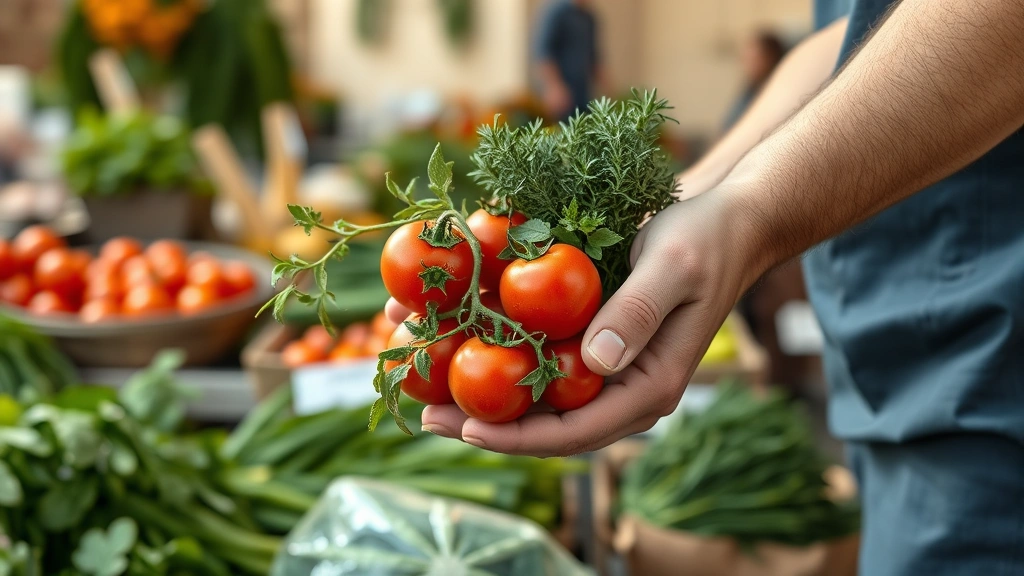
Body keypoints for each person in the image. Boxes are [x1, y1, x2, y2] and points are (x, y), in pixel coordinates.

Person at [396, 0, 1024, 572]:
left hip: (988, 371)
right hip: (895, 356)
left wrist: (747, 217)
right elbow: (856, 33)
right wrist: (702, 192)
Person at [534, 0, 607, 121]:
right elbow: (544, 53)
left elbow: (594, 56)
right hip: (562, 93)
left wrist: (609, 89)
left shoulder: (589, 18)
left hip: (583, 91)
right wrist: (554, 87)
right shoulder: (556, 12)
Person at [721, 30, 786, 132]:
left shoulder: (780, 92)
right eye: (745, 57)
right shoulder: (748, 90)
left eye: (753, 57)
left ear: (770, 57)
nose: (746, 64)